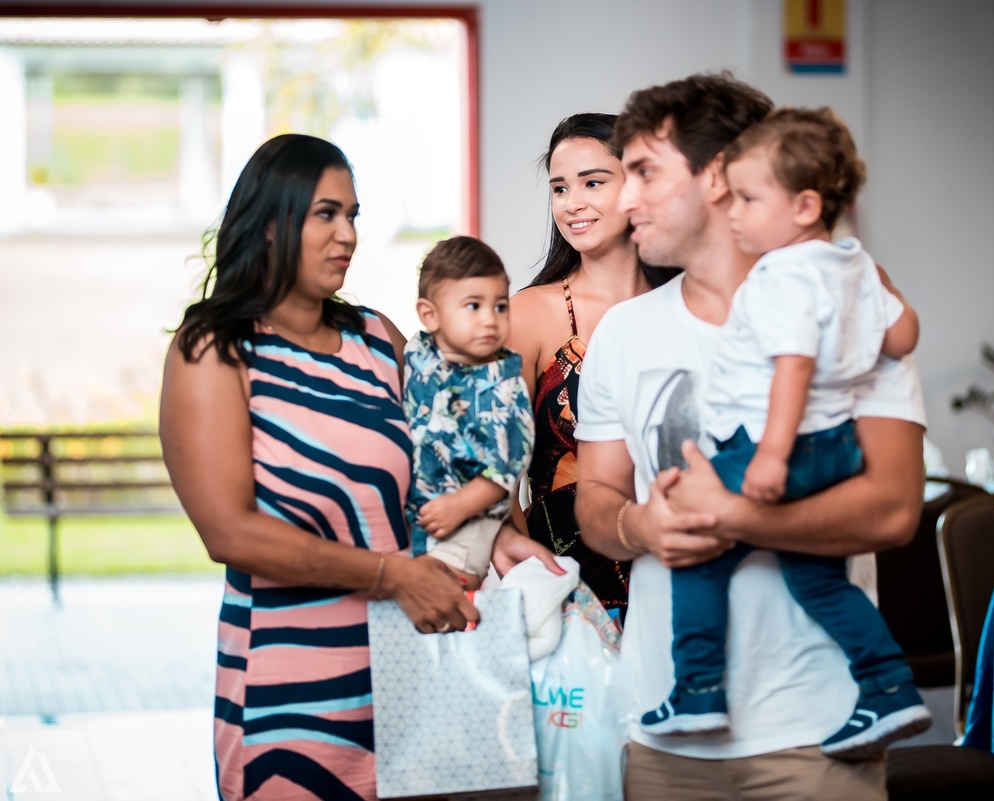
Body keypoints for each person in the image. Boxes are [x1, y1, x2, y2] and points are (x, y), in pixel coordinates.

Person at [159, 133, 555, 801]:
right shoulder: (215, 350)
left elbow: (454, 448)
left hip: (417, 667)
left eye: (353, 215)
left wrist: (500, 527)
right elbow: (229, 531)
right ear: (270, 220)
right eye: (326, 214)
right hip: (292, 694)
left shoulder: (376, 338)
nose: (347, 234)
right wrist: (391, 574)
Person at [574, 73, 926, 800]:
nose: (623, 199)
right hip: (664, 737)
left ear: (715, 178)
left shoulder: (853, 311)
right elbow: (595, 503)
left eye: (643, 172)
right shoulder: (623, 331)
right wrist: (641, 524)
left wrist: (735, 515)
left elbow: (893, 509)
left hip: (820, 737)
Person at [508, 113, 677, 619]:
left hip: (675, 584)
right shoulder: (528, 314)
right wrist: (531, 584)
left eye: (592, 183)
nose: (572, 203)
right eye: (560, 188)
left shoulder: (686, 305)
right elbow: (495, 475)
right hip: (563, 597)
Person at [406, 236, 534, 589]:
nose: (490, 320)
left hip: (467, 524)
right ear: (430, 315)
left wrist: (461, 505)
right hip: (412, 518)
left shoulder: (505, 385)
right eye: (474, 306)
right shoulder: (418, 357)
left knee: (448, 595)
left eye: (500, 306)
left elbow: (509, 463)